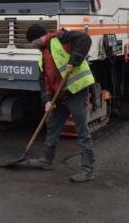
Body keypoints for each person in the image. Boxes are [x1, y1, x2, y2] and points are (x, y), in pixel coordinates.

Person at [24, 24, 96, 183]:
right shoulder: (42, 55)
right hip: (59, 95)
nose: (32, 45)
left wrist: (74, 59)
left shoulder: (61, 38)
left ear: (38, 38)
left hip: (75, 91)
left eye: (32, 42)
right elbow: (43, 81)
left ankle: (88, 170)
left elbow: (85, 39)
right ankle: (46, 160)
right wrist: (47, 100)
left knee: (82, 130)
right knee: (53, 127)